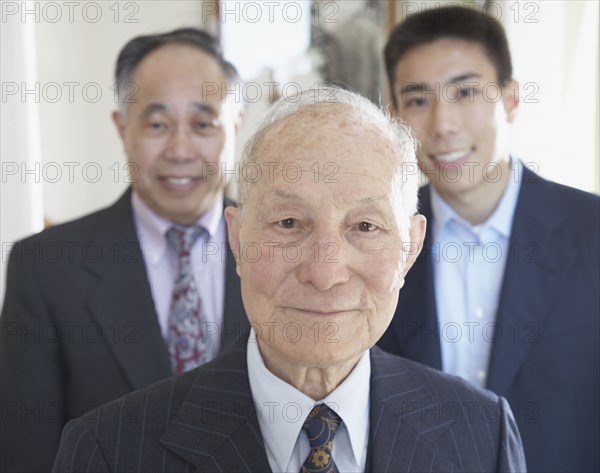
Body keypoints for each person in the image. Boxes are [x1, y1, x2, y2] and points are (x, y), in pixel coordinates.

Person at [51, 87, 526, 473]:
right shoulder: (108, 451)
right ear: (236, 239)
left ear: (410, 248)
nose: (324, 273)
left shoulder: (481, 434)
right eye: (288, 224)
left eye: (365, 227)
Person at [0, 28, 248, 472]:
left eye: (203, 123)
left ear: (236, 126)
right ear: (122, 127)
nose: (180, 149)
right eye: (157, 125)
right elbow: (27, 450)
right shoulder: (45, 268)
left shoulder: (284, 249)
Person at [377, 6, 600, 473]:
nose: (442, 125)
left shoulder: (590, 229)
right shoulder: (377, 237)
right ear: (395, 117)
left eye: (465, 93)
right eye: (418, 100)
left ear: (511, 99)